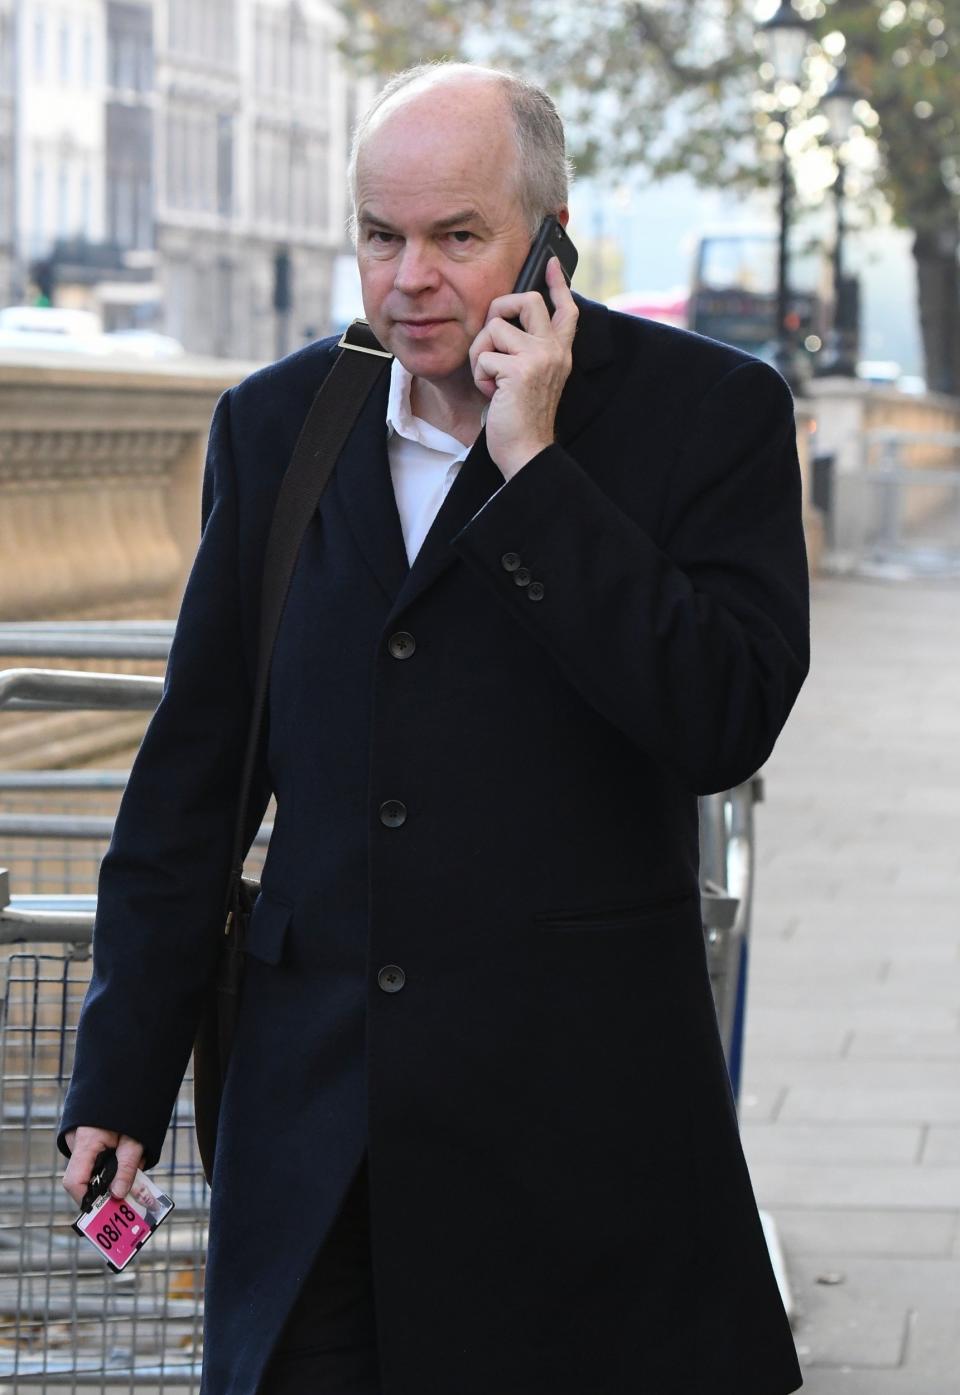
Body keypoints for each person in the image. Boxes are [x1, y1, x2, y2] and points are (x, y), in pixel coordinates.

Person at [60, 61, 808, 1395]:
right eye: (378, 235)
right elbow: (194, 779)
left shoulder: (711, 416)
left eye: (457, 237)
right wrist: (121, 1070)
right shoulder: (276, 425)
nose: (409, 279)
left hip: (579, 1135)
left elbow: (722, 721)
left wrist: (535, 472)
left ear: (549, 240)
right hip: (315, 1132)